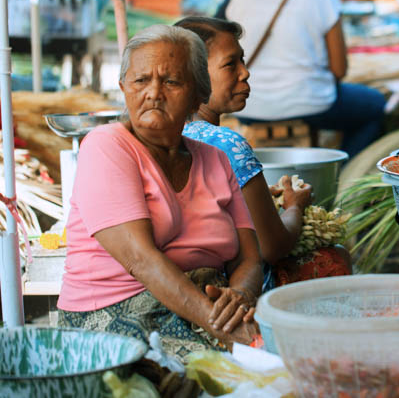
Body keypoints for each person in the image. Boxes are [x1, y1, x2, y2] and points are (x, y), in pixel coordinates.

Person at [58, 25, 262, 360]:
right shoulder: (107, 145)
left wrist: (239, 296)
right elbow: (142, 260)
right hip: (119, 314)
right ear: (124, 88)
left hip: (203, 308)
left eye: (171, 81)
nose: (154, 92)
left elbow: (249, 257)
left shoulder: (215, 159)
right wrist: (223, 326)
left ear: (198, 94)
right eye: (141, 81)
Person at [176, 16, 353, 286]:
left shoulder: (168, 134)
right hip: (228, 285)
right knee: (334, 257)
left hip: (186, 279)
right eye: (229, 64)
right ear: (194, 75)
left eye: (242, 60)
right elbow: (271, 248)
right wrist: (294, 207)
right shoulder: (226, 144)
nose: (245, 72)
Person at [223, 0, 386, 159]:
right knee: (375, 105)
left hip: (249, 105)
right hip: (312, 104)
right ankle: (342, 175)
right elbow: (339, 70)